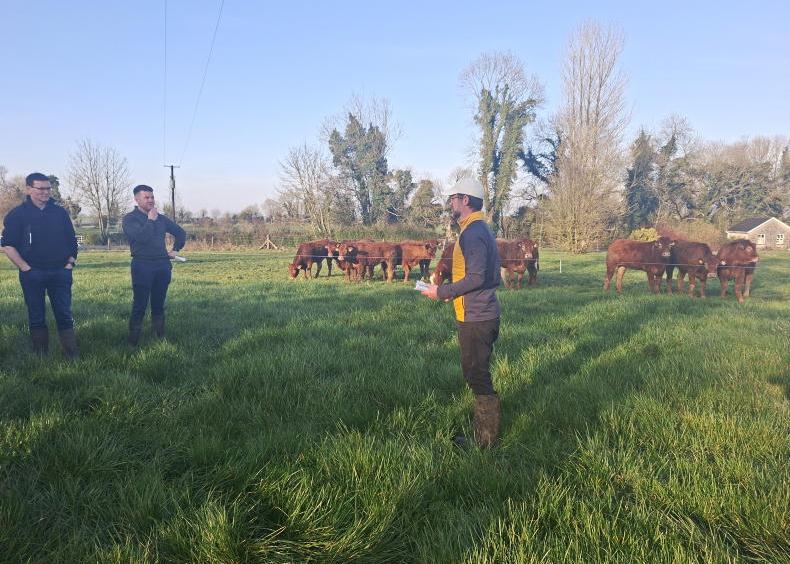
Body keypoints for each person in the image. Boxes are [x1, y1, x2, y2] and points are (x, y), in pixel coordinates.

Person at [421, 177, 502, 447]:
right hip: (477, 312)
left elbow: (477, 277)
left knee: (477, 373)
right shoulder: (477, 229)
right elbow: (475, 276)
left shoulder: (474, 232)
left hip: (477, 317)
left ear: (465, 200)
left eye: (453, 199)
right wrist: (453, 292)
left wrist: (442, 292)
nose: (451, 204)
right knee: (474, 371)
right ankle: (483, 434)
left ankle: (484, 443)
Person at [1, 172, 79, 358]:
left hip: (60, 272)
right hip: (32, 273)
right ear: (29, 189)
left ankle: (72, 355)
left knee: (64, 314)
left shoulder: (59, 212)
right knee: (36, 315)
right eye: (41, 189)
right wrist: (25, 268)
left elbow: (72, 241)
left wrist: (70, 263)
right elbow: (8, 245)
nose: (46, 192)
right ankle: (41, 356)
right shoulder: (17, 214)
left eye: (48, 189)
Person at [122, 185, 186, 345]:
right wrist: (150, 219)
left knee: (159, 303)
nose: (151, 200)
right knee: (140, 304)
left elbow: (180, 233)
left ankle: (159, 337)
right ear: (136, 199)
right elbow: (141, 238)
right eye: (146, 197)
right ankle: (133, 342)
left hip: (162, 266)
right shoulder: (130, 219)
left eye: (152, 197)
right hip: (142, 265)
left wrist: (175, 250)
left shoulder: (161, 218)